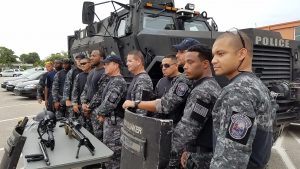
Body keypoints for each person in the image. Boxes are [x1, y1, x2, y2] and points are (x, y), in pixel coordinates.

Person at [209, 29, 277, 169]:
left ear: (241, 54)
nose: (213, 60)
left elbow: (230, 158)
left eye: (220, 54)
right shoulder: (258, 85)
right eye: (213, 55)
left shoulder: (238, 90)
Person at [122, 38, 199, 125]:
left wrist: (135, 104)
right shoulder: (162, 81)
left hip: (174, 128)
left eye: (181, 52)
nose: (177, 55)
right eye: (162, 66)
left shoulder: (186, 79)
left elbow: (166, 105)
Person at [168, 45, 221, 169]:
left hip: (201, 158)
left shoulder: (203, 91)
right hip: (198, 153)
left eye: (190, 62)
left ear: (205, 64)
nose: (185, 66)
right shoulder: (210, 85)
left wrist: (163, 149)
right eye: (185, 62)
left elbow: (187, 131)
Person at [94, 55, 127, 169]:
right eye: (104, 63)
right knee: (108, 153)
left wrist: (100, 113)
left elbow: (110, 102)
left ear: (116, 65)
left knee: (113, 155)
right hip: (110, 122)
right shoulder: (112, 80)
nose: (104, 66)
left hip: (115, 124)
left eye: (107, 64)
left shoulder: (118, 81)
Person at [80, 49, 107, 140]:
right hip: (88, 109)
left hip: (98, 111)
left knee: (99, 138)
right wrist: (84, 103)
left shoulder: (105, 72)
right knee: (90, 137)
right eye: (91, 55)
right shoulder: (92, 72)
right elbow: (85, 89)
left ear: (102, 58)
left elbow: (100, 93)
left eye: (94, 56)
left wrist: (89, 107)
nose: (91, 58)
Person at [125, 50, 153, 115]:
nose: (127, 64)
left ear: (138, 62)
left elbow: (142, 109)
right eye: (127, 61)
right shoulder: (137, 77)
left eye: (130, 61)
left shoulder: (143, 79)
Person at [72, 58, 92, 132]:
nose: (82, 65)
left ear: (90, 63)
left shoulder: (94, 74)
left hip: (91, 108)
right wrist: (74, 104)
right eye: (81, 64)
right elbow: (75, 91)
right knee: (82, 129)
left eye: (84, 63)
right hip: (81, 107)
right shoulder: (78, 76)